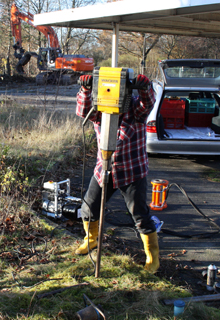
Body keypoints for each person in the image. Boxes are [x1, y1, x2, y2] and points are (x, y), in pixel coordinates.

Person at [75, 73, 159, 273]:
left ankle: (152, 258)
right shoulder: (100, 108)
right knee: (88, 207)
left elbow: (148, 104)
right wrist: (86, 89)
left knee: (139, 215)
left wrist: (144, 87)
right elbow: (82, 110)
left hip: (131, 171)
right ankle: (91, 239)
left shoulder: (135, 109)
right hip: (104, 168)